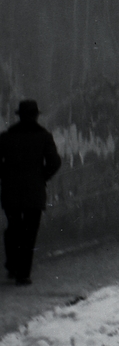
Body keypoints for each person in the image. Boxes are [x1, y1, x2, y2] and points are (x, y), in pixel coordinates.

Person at [0, 100, 62, 285]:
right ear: (36, 115)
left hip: (10, 191)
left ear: (19, 115)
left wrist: (5, 176)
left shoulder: (6, 136)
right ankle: (23, 273)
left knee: (13, 228)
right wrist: (41, 177)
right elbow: (55, 162)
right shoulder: (44, 137)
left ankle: (12, 265)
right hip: (34, 193)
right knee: (29, 233)